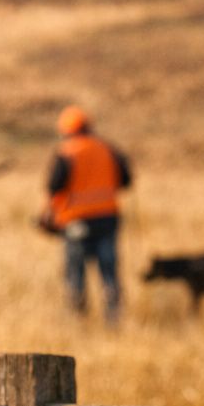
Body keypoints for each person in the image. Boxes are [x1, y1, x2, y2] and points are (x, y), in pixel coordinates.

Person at [41, 105, 133, 324]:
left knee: (75, 271)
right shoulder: (108, 149)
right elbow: (126, 180)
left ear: (65, 129)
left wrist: (48, 215)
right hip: (108, 219)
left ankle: (77, 319)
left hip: (76, 221)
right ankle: (114, 317)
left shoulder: (66, 152)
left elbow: (54, 186)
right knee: (108, 270)